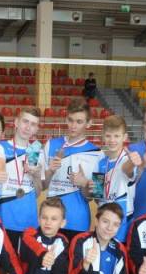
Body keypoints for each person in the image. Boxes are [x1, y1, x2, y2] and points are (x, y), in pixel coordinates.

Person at [41, 98, 101, 241]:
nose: (73, 126)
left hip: (78, 222)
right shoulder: (50, 145)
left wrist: (84, 184)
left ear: (89, 123)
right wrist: (50, 171)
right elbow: (42, 186)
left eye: (79, 122)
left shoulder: (98, 154)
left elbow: (97, 197)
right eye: (70, 120)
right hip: (52, 221)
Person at [0, 106, 44, 250]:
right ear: (16, 122)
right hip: (4, 219)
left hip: (29, 222)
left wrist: (35, 176)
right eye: (25, 121)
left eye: (33, 124)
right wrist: (0, 171)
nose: (28, 127)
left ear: (36, 129)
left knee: (24, 263)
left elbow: (38, 193)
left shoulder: (36, 151)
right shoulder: (1, 147)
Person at [91, 115, 140, 243]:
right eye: (108, 136)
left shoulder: (127, 160)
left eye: (117, 136)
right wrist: (92, 187)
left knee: (119, 253)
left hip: (122, 221)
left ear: (124, 137)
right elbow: (97, 197)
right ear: (103, 136)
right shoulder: (100, 163)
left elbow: (127, 169)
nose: (112, 140)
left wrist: (133, 162)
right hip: (103, 220)